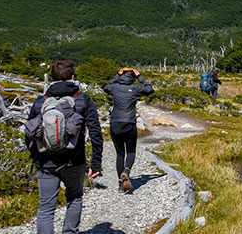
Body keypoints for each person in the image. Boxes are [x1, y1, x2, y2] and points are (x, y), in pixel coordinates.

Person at [26, 59, 103, 234]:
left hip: (46, 161)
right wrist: (96, 163)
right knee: (74, 198)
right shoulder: (83, 100)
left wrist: (36, 157)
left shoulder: (40, 101)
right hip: (74, 161)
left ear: (52, 77)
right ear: (73, 77)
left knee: (46, 208)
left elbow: (29, 132)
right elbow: (96, 133)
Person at [102, 68, 154, 192]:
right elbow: (150, 89)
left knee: (120, 154)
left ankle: (121, 185)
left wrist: (117, 75)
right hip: (129, 123)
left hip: (115, 123)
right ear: (133, 78)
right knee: (130, 152)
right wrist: (140, 77)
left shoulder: (114, 87)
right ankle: (127, 171)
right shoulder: (136, 88)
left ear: (121, 76)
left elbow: (105, 87)